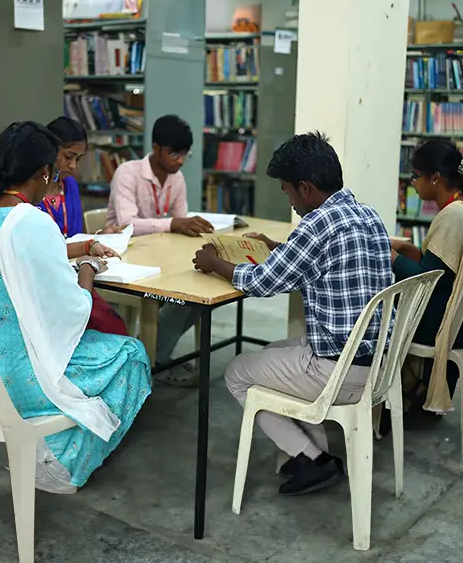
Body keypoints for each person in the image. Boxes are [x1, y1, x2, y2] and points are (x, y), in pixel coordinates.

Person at [193, 132, 392, 496]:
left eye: (287, 192)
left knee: (237, 373)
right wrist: (278, 247)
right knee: (271, 352)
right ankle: (316, 455)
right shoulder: (368, 215)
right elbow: (319, 260)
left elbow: (261, 283)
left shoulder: (317, 224)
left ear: (305, 188)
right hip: (378, 364)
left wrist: (214, 262)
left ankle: (312, 460)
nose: (290, 201)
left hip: (338, 372)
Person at [0, 121, 152, 493]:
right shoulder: (33, 222)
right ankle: (60, 465)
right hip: (17, 385)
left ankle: (49, 445)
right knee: (131, 356)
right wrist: (88, 268)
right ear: (43, 172)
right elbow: (73, 312)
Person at [107, 114, 214, 385]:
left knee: (198, 295)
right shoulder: (128, 173)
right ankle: (153, 362)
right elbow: (127, 224)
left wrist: (189, 227)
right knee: (182, 300)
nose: (179, 161)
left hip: (158, 256)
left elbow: (180, 220)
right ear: (156, 148)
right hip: (123, 259)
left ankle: (155, 355)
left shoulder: (176, 179)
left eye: (184, 155)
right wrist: (174, 224)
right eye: (173, 154)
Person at [390, 138, 463, 425]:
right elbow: (440, 267)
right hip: (452, 312)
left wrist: (391, 257)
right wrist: (408, 251)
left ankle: (393, 397)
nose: (413, 182)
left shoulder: (453, 215)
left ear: (435, 178)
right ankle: (415, 389)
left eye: (416, 175)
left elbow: (428, 281)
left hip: (443, 319)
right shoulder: (455, 207)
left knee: (375, 316)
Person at [41, 116, 128, 336]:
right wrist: (87, 246)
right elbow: (45, 249)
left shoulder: (69, 185)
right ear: (49, 150)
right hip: (51, 282)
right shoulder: (33, 195)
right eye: (68, 157)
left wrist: (101, 236)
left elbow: (72, 235)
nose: (73, 166)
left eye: (78, 159)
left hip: (77, 274)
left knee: (115, 325)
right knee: (109, 327)